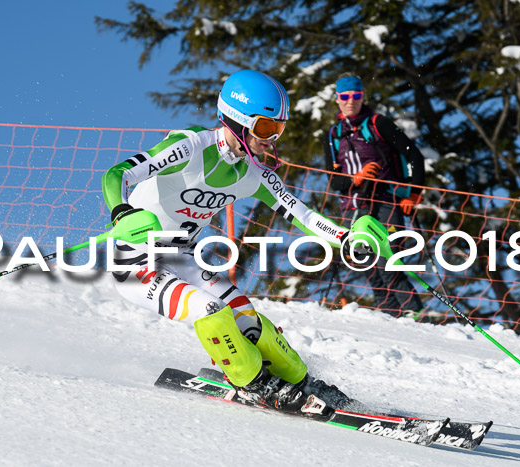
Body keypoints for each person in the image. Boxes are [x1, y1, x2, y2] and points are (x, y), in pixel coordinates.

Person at [102, 70, 355, 414]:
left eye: (279, 129)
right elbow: (117, 175)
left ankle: (298, 380)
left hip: (182, 257)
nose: (272, 139)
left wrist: (346, 238)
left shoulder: (255, 173)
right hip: (136, 261)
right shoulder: (190, 146)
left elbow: (303, 215)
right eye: (266, 128)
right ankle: (251, 382)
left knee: (246, 316)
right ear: (237, 119)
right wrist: (122, 213)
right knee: (210, 310)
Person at [323, 73, 425, 317]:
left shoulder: (378, 123)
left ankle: (415, 315)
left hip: (386, 202)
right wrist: (356, 178)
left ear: (362, 97)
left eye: (356, 96)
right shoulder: (333, 134)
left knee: (389, 262)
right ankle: (390, 320)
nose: (350, 101)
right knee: (369, 266)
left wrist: (414, 194)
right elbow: (333, 180)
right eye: (345, 96)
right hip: (354, 207)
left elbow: (415, 156)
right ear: (337, 99)